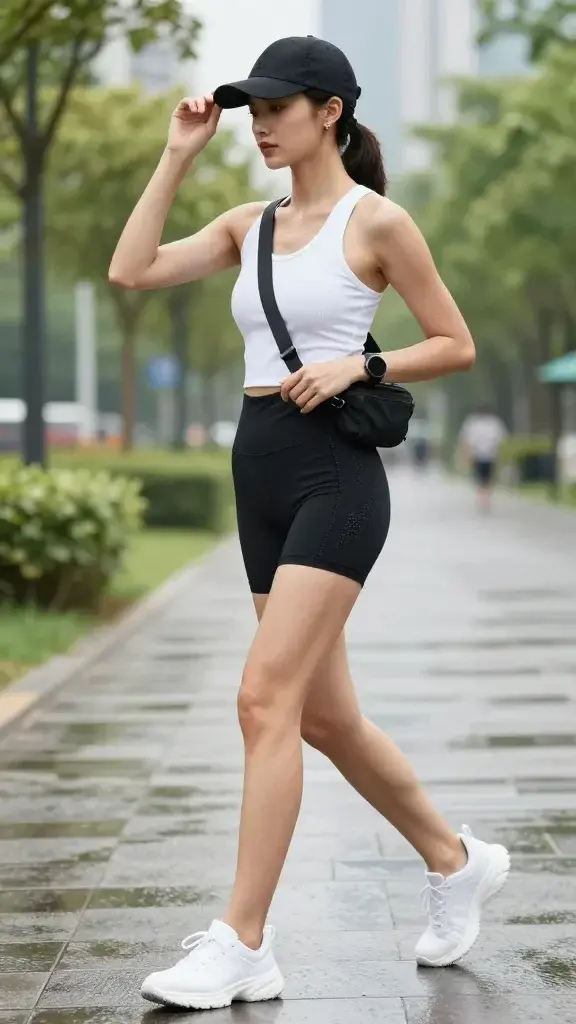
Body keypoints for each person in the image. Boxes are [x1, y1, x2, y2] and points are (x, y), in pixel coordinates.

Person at [109, 35, 510, 1011]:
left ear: (330, 110)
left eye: (278, 107)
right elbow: (131, 268)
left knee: (262, 701)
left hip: (335, 475)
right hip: (260, 475)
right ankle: (456, 861)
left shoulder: (380, 224)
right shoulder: (248, 224)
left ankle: (244, 940)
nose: (260, 123)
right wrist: (177, 154)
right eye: (252, 108)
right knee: (322, 716)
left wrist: (362, 364)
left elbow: (455, 341)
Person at [459, 404, 508, 512]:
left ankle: (483, 500)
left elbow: (467, 441)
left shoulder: (477, 423)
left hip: (484, 455)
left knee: (483, 479)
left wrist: (466, 456)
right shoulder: (492, 423)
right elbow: (500, 441)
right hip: (484, 455)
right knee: (484, 479)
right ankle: (484, 500)